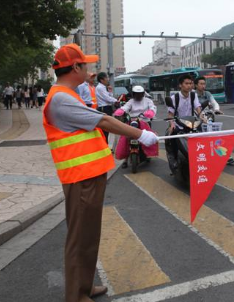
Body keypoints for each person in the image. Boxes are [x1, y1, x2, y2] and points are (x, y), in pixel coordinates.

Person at [43, 43, 158, 302]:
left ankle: (84, 286)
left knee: (89, 235)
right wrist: (142, 134)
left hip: (88, 176)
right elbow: (104, 121)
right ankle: (76, 295)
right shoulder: (61, 97)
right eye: (86, 65)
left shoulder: (67, 94)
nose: (90, 70)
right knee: (80, 238)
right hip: (80, 178)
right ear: (75, 67)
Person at [120, 85, 157, 169]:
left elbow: (153, 107)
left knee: (148, 138)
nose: (138, 95)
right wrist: (121, 111)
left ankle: (147, 154)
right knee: (126, 138)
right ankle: (125, 160)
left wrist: (151, 112)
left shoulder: (148, 101)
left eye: (140, 94)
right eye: (136, 94)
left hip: (145, 122)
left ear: (143, 93)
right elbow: (125, 107)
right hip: (132, 122)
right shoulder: (130, 101)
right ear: (133, 94)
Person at [96, 72, 119, 144]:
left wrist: (110, 91)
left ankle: (105, 144)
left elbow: (109, 97)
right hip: (104, 108)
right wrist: (116, 101)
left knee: (107, 128)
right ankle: (104, 144)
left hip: (107, 107)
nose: (108, 79)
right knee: (105, 129)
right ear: (102, 80)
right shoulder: (100, 87)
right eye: (106, 78)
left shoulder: (103, 87)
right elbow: (107, 98)